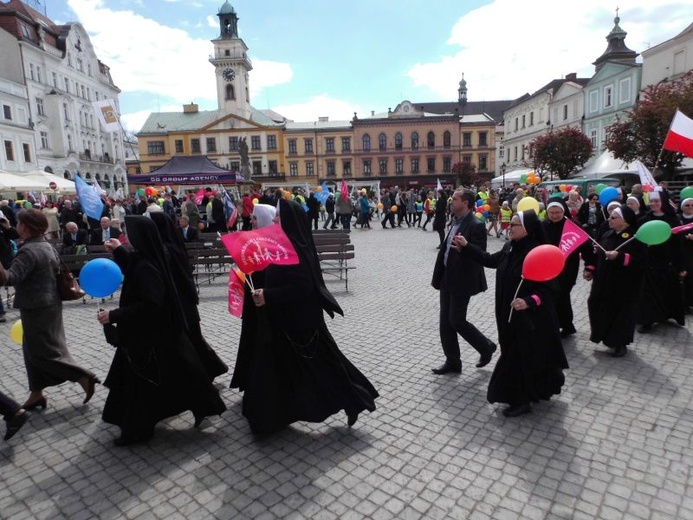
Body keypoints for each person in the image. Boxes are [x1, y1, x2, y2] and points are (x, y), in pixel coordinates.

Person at [241, 198, 378, 433]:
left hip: (301, 324)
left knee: (326, 367)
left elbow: (302, 287)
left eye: (279, 216)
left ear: (290, 221)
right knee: (293, 369)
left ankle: (355, 399)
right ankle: (274, 415)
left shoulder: (295, 248)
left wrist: (269, 295)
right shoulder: (286, 243)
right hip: (288, 321)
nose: (274, 219)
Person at [97, 216, 226, 446]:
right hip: (148, 335)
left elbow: (150, 303)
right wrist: (119, 251)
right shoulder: (146, 257)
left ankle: (137, 429)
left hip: (148, 336)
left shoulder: (149, 264)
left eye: (130, 233)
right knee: (167, 376)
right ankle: (137, 425)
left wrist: (114, 315)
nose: (127, 237)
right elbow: (134, 268)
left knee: (143, 383)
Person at [454, 209, 568, 417]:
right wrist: (466, 247)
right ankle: (542, 387)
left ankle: (520, 400)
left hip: (530, 319)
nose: (509, 227)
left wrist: (529, 301)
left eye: (514, 225)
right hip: (507, 313)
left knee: (517, 358)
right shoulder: (509, 247)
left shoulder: (537, 252)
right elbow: (489, 259)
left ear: (527, 229)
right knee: (525, 356)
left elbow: (550, 289)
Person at [0, 209, 99, 411]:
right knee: (32, 350)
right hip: (47, 304)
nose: (16, 226)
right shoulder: (44, 244)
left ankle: (83, 377)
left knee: (42, 353)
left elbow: (9, 278)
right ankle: (36, 394)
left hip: (37, 307)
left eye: (18, 223)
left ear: (25, 227)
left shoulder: (29, 251)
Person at [150, 213, 228, 381]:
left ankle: (209, 370)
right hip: (185, 299)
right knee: (193, 338)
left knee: (192, 338)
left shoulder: (167, 249)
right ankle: (210, 368)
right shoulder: (172, 244)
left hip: (182, 301)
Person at [430, 189, 496, 375]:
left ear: (465, 202)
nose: (452, 202)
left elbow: (481, 254)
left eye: (455, 199)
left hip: (462, 280)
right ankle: (453, 362)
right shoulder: (456, 221)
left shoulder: (476, 225)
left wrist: (464, 249)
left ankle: (486, 346)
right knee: (445, 323)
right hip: (447, 278)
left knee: (456, 320)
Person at [583, 205, 647, 357]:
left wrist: (620, 257)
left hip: (623, 285)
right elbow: (597, 254)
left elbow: (641, 262)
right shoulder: (607, 234)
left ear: (625, 221)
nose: (609, 219)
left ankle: (620, 343)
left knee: (621, 315)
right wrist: (590, 269)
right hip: (603, 282)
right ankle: (604, 336)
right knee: (596, 304)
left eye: (614, 217)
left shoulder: (635, 238)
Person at [230, 203, 276, 392]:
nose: (251, 220)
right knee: (250, 338)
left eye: (255, 218)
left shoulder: (274, 245)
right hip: (252, 300)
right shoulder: (251, 240)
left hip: (266, 301)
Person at [636, 193, 685, 332]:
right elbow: (638, 240)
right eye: (651, 201)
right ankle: (648, 321)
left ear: (663, 202)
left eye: (656, 201)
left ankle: (668, 315)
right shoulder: (644, 219)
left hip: (667, 263)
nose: (653, 204)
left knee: (668, 291)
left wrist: (681, 265)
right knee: (649, 293)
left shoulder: (673, 221)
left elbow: (678, 246)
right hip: (649, 263)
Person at [542, 200, 581, 337]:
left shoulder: (573, 226)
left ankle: (566, 325)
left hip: (567, 268)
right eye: (551, 213)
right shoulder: (543, 226)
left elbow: (585, 245)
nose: (555, 215)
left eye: (557, 212)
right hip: (548, 268)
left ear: (563, 212)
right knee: (551, 296)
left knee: (562, 297)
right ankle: (553, 324)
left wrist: (590, 266)